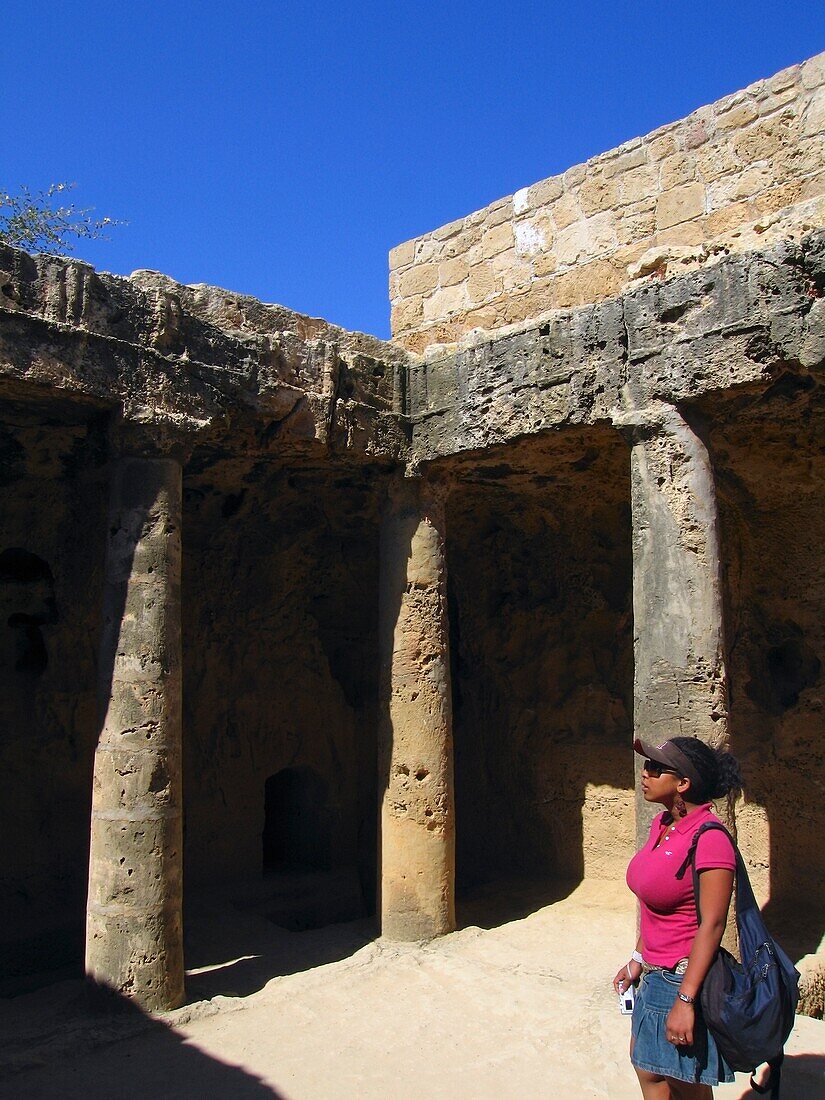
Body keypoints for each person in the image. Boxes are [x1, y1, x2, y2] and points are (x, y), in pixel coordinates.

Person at [612, 736, 744, 1099]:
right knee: (649, 1071)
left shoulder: (710, 838)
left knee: (684, 1084)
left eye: (656, 768)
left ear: (683, 783)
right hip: (654, 978)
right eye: (646, 765)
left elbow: (712, 924)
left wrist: (685, 1001)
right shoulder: (662, 826)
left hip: (682, 980)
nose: (645, 773)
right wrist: (638, 959)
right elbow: (655, 903)